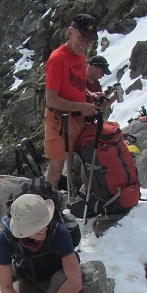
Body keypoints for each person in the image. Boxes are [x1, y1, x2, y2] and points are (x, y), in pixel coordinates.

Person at [44, 14, 99, 190]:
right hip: (59, 122)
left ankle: (88, 199)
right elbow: (51, 100)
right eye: (82, 38)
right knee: (56, 169)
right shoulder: (57, 59)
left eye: (90, 40)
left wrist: (90, 94)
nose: (85, 43)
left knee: (88, 159)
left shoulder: (81, 57)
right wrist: (82, 106)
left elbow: (77, 84)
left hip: (79, 119)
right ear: (69, 33)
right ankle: (48, 209)